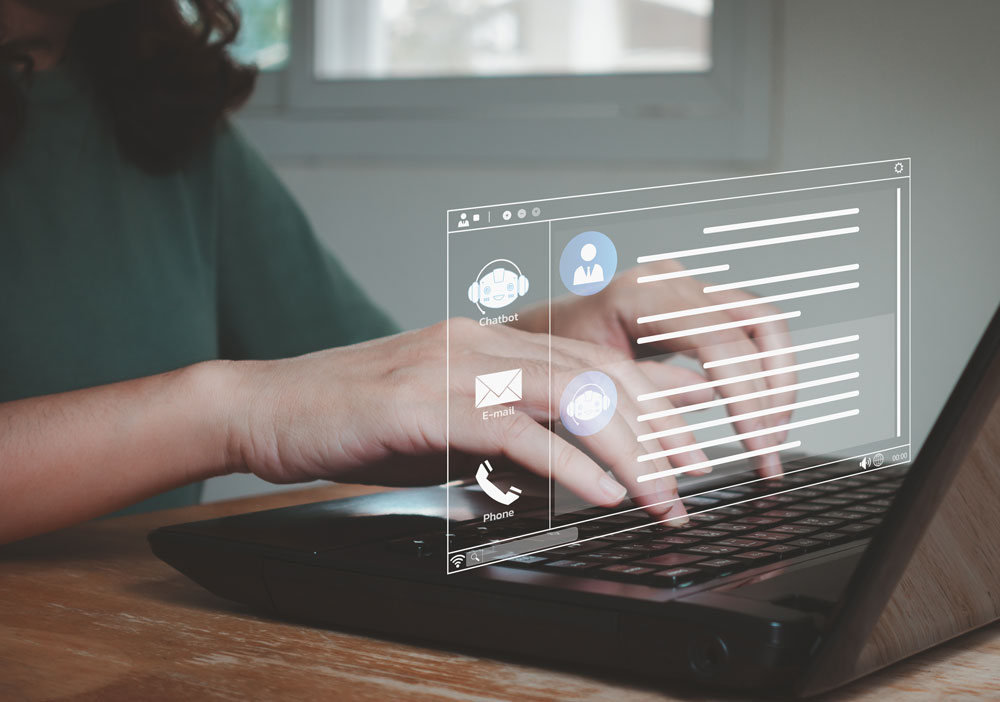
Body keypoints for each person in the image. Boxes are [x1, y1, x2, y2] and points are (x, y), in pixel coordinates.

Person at [0, 0, 796, 546]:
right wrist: (227, 412)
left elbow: (362, 386)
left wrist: (558, 342)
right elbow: (274, 405)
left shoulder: (152, 108)